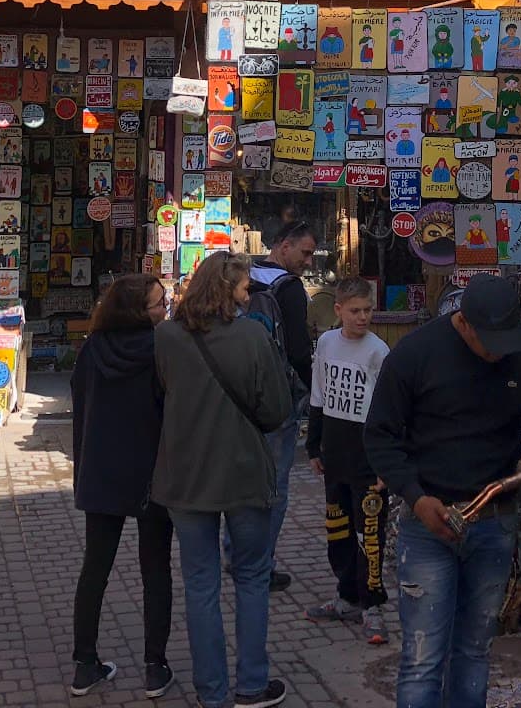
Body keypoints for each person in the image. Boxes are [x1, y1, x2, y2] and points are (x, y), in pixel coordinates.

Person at [365, 274, 521, 708]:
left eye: (505, 341)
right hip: (428, 525)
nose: (497, 352)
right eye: (488, 342)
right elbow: (379, 436)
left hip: (494, 523)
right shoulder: (415, 354)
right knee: (423, 659)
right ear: (462, 322)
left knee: (475, 650)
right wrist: (415, 497)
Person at [152, 252, 293, 708]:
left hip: (186, 475)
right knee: (251, 577)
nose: (249, 295)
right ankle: (251, 684)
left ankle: (211, 693)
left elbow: (162, 392)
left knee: (200, 584)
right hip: (244, 473)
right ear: (226, 289)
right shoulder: (252, 335)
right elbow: (277, 409)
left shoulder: (167, 336)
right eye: (245, 287)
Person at [69, 275, 175, 699]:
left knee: (95, 567)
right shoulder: (159, 348)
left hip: (101, 470)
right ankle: (155, 666)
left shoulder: (93, 348)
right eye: (158, 303)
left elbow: (80, 401)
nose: (165, 308)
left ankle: (84, 663)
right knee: (156, 569)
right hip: (152, 472)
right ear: (136, 311)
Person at [306, 278, 391, 644]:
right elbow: (319, 394)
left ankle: (372, 604)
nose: (362, 317)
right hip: (336, 453)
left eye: (368, 310)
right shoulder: (327, 343)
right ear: (338, 309)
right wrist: (314, 446)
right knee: (338, 529)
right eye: (355, 311)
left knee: (369, 533)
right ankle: (346, 595)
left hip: (367, 457)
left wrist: (386, 462)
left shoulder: (378, 351)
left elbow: (388, 410)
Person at [246, 222, 317, 591]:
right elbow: (300, 351)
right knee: (276, 484)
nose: (308, 261)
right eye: (305, 253)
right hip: (278, 398)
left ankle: (237, 552)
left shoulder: (246, 275)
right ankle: (261, 564)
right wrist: (313, 390)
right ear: (284, 246)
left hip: (243, 395)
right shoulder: (289, 288)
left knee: (246, 479)